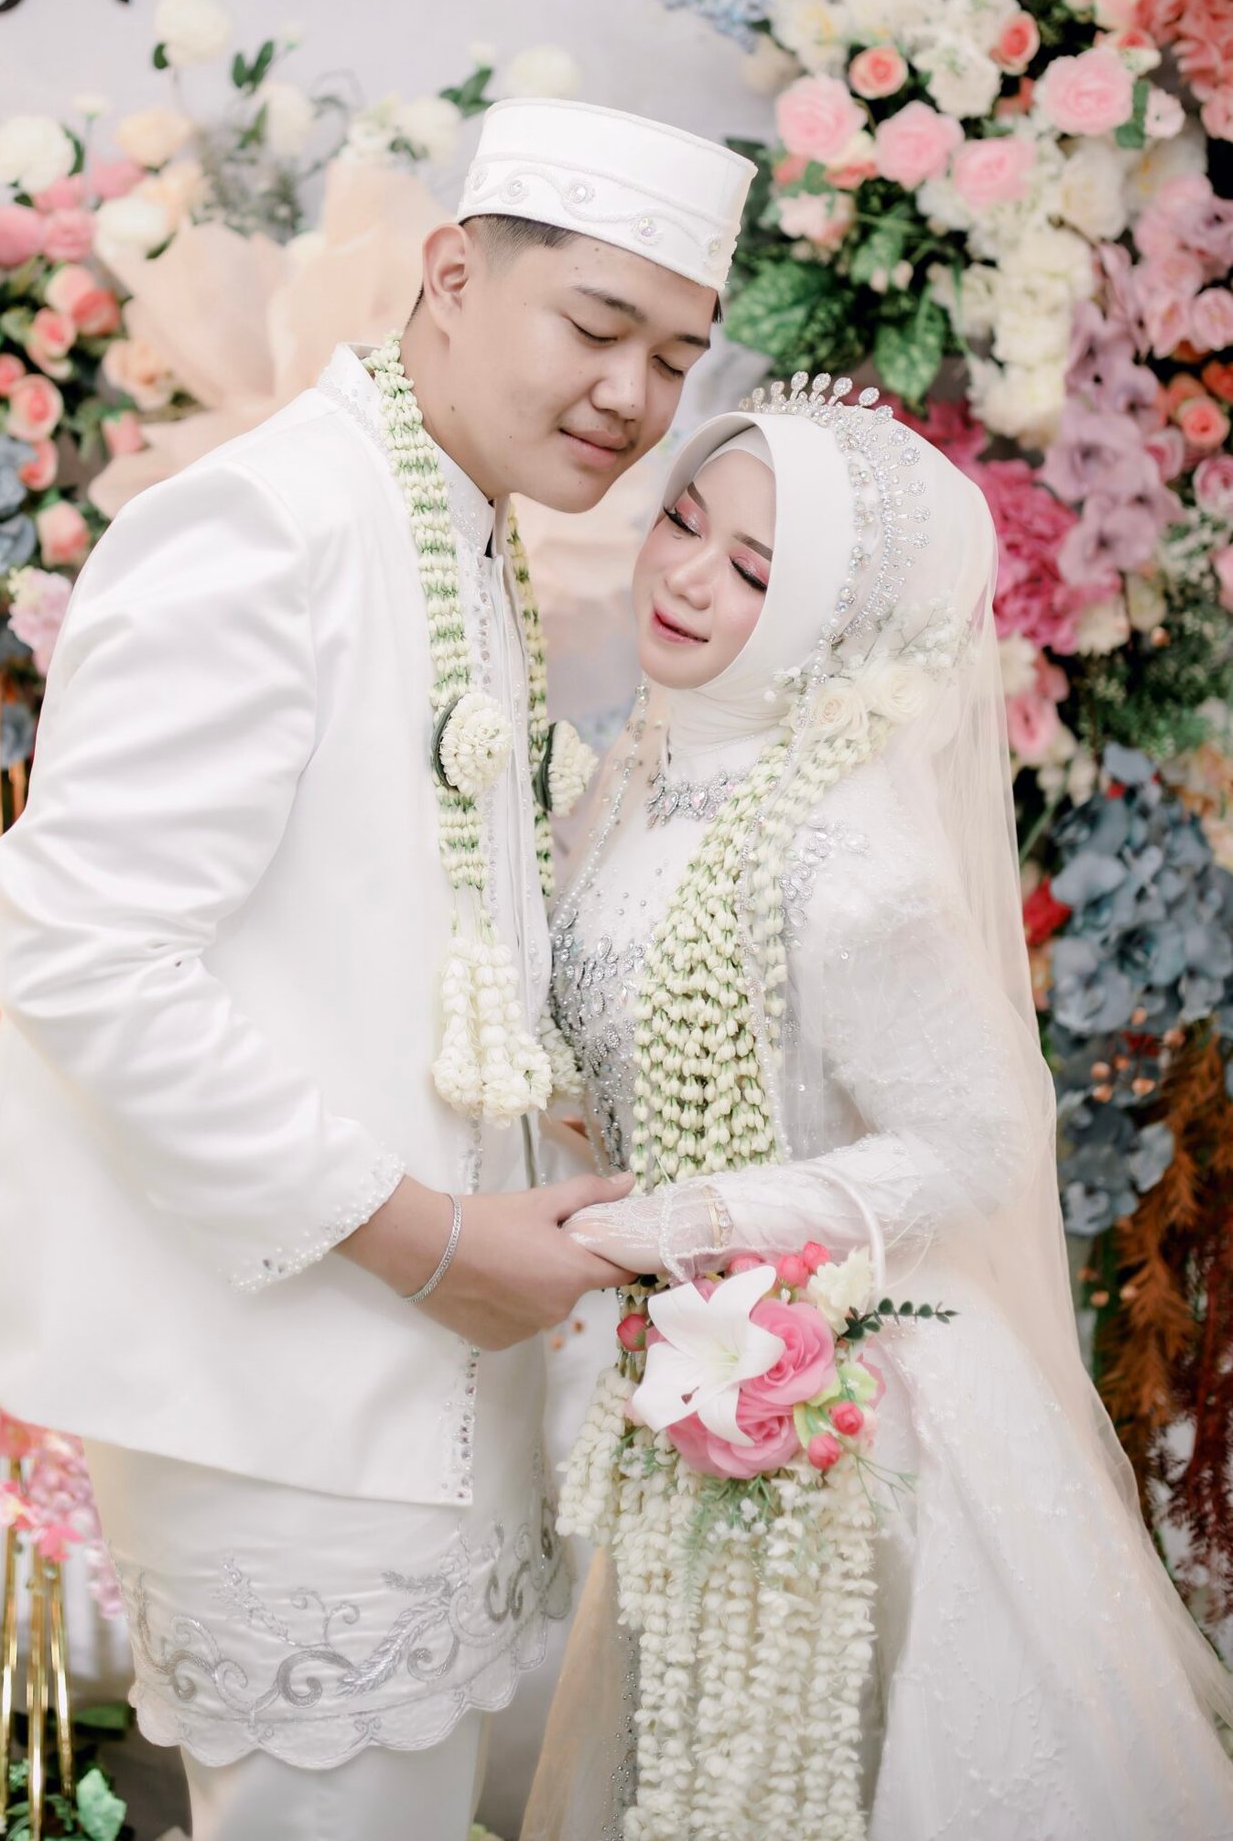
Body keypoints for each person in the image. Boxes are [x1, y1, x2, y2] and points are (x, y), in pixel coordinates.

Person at [0, 98, 758, 1841]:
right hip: (283, 1384)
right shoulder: (267, 523)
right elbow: (90, 956)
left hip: (416, 1372)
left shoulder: (459, 522)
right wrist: (436, 1244)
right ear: (452, 275)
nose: (632, 394)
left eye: (677, 358)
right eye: (597, 326)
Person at [526, 381, 1233, 1841]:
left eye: (754, 569)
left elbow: (978, 1145)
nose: (686, 576)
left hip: (858, 1403)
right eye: (681, 521)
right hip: (692, 1363)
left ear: (826, 620)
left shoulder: (848, 861)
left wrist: (688, 1220)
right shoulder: (649, 771)